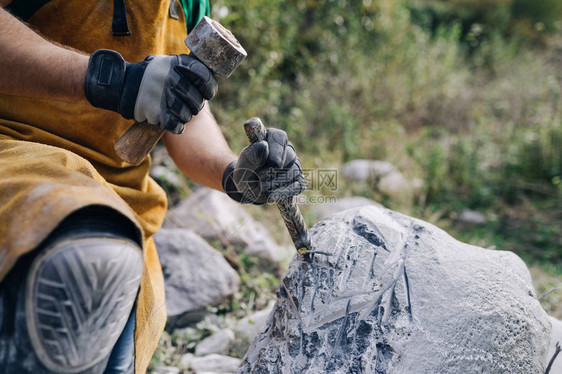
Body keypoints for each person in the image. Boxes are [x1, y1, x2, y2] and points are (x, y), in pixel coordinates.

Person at [0, 1, 305, 373]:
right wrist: (110, 79)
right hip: (17, 155)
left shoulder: (188, 3)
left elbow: (185, 113)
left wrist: (234, 174)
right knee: (91, 260)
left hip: (123, 206)